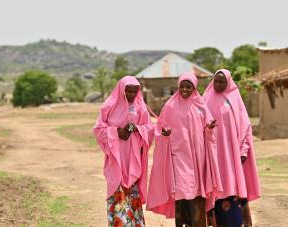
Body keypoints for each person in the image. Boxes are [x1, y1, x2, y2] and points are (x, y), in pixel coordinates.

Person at [147, 72, 222, 227]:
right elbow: (160, 130)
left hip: (197, 157)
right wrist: (164, 135)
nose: (185, 90)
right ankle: (182, 223)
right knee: (182, 192)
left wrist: (209, 129)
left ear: (194, 88)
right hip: (178, 156)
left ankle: (197, 223)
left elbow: (208, 129)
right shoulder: (170, 106)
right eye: (182, 86)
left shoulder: (201, 106)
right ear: (178, 86)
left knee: (197, 194)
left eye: (189, 87)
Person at [93, 76, 154, 227]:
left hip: (133, 159)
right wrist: (116, 132)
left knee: (132, 193)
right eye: (129, 91)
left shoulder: (140, 107)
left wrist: (136, 128)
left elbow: (150, 128)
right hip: (116, 158)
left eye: (135, 92)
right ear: (121, 90)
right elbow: (98, 130)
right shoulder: (109, 106)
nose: (132, 95)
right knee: (117, 190)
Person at [203, 69, 261, 227]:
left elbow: (245, 127)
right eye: (216, 81)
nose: (218, 84)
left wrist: (243, 151)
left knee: (233, 189)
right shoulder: (205, 99)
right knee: (216, 190)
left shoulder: (235, 99)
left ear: (228, 82)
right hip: (213, 155)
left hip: (232, 156)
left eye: (222, 81)